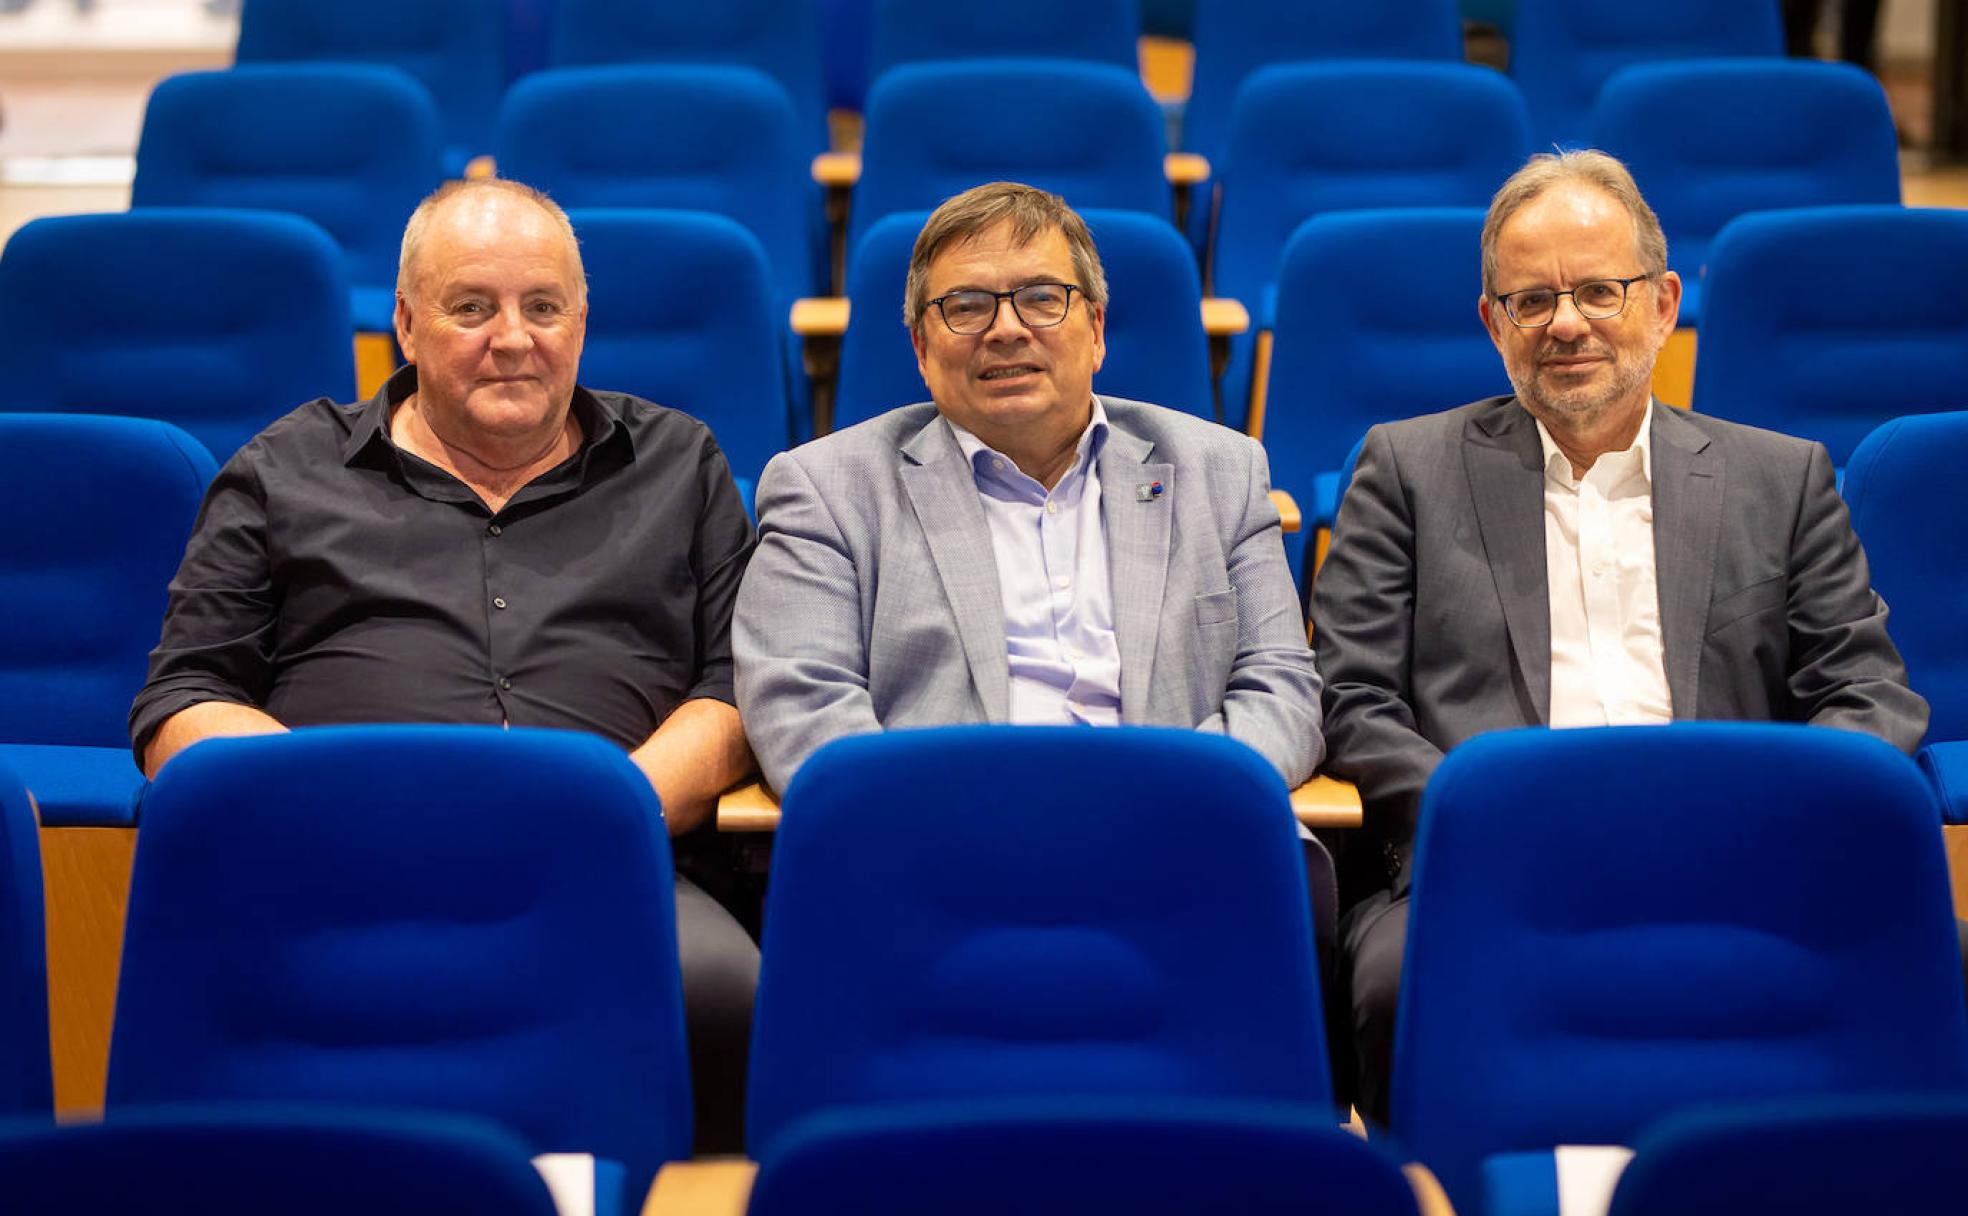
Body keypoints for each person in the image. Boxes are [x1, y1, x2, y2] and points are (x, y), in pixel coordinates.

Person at [129, 178, 760, 1154]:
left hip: (608, 869)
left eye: (543, 306)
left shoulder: (681, 464)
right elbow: (182, 697)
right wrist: (338, 805)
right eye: (472, 307)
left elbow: (732, 687)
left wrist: (605, 811)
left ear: (581, 322)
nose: (514, 337)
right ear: (406, 325)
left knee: (729, 991)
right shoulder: (283, 468)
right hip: (331, 871)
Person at [1310, 149, 1931, 1126]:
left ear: (1663, 301)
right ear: (1492, 322)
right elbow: (1353, 696)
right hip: (1489, 872)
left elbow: (1870, 691)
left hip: (1739, 864)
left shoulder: (1783, 480)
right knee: (1390, 982)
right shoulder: (1405, 470)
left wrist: (1776, 826)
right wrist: (1488, 828)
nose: (1566, 323)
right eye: (1531, 300)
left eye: (1599, 289)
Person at [733, 181, 1323, 794]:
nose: (1006, 329)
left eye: (1042, 298)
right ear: (921, 350)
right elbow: (802, 712)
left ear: (1096, 330)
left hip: (1177, 840)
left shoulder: (1223, 472)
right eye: (965, 306)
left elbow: (1280, 688)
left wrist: (1165, 806)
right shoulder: (825, 492)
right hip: (937, 858)